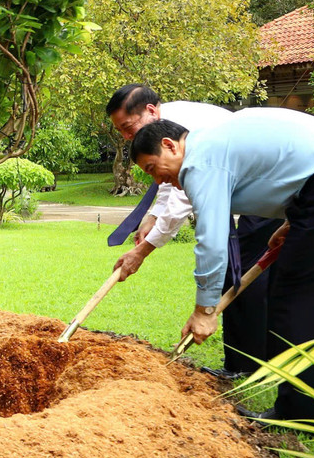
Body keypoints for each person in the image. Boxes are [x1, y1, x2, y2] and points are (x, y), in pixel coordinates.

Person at [130, 109, 314, 422]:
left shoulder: (199, 160)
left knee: (299, 302)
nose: (159, 180)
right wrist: (296, 218)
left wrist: (205, 311)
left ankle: (303, 415)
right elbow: (291, 166)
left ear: (170, 145)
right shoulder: (218, 139)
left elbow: (211, 239)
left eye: (154, 169)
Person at [105, 84, 282, 379]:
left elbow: (182, 197)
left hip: (268, 188)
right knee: (231, 275)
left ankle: (249, 364)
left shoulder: (185, 128)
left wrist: (142, 251)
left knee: (244, 272)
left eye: (127, 127)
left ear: (150, 111)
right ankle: (242, 363)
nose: (126, 136)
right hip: (243, 190)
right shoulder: (164, 131)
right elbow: (168, 179)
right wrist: (151, 216)